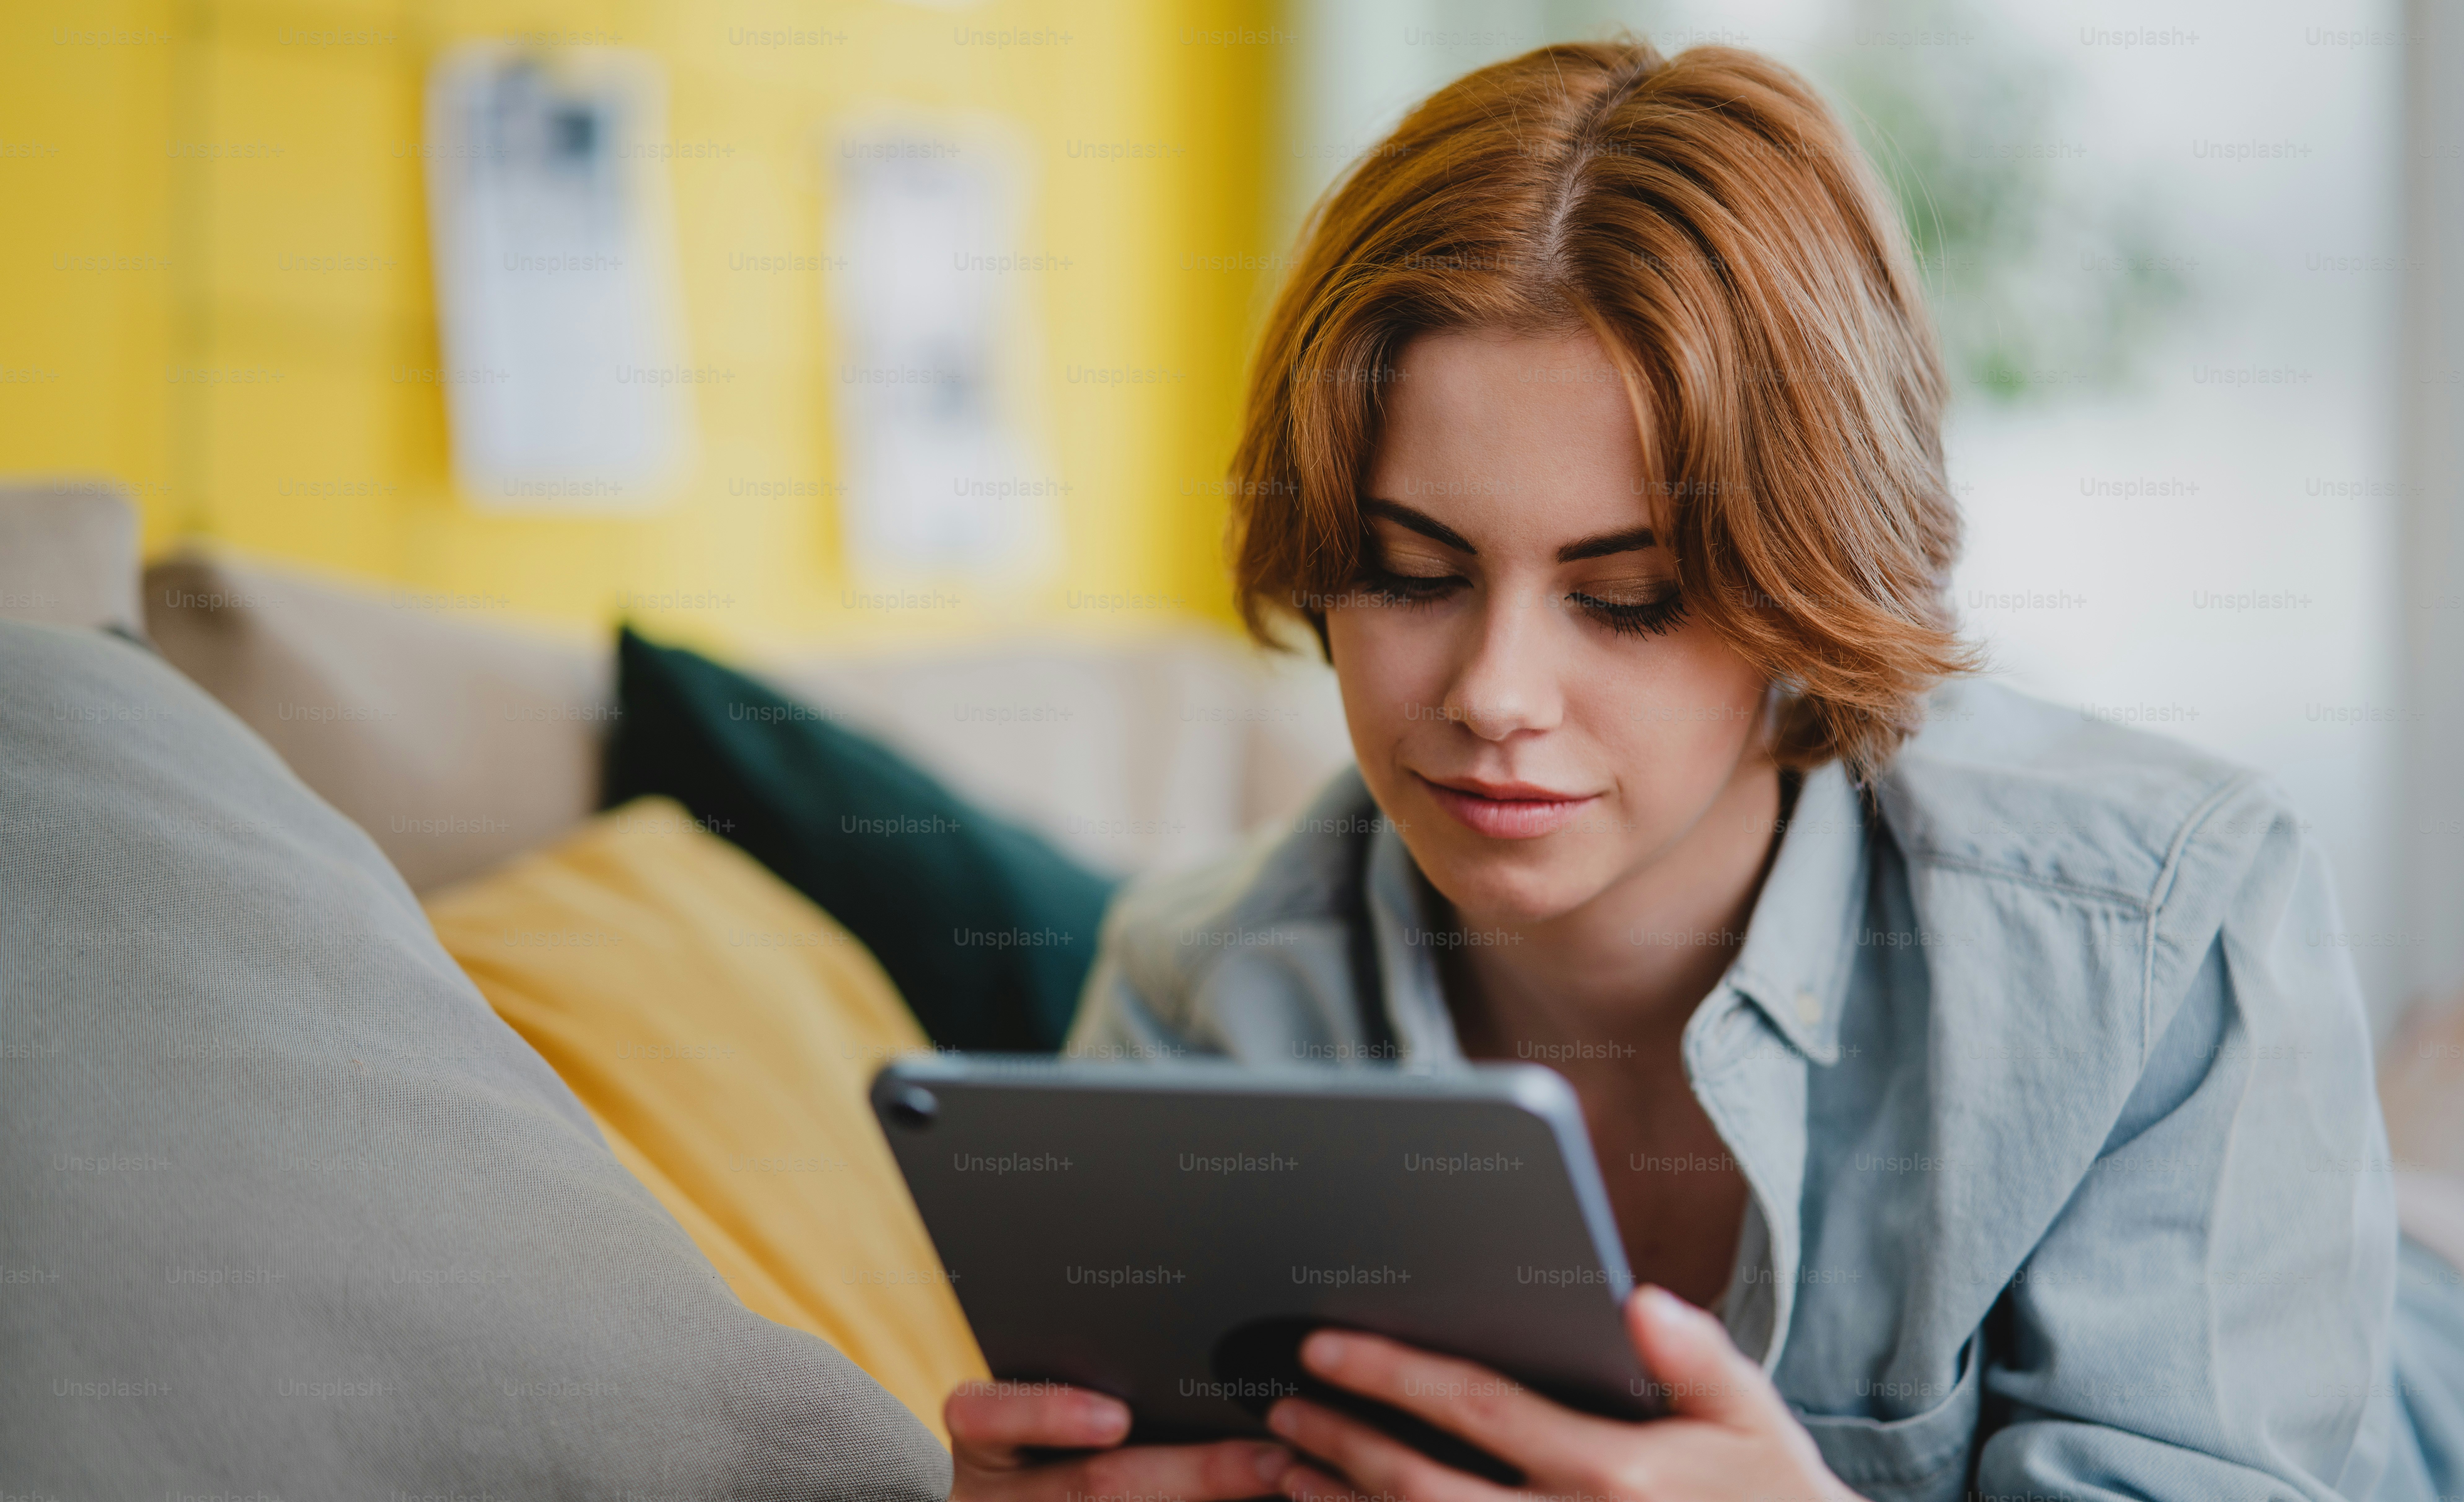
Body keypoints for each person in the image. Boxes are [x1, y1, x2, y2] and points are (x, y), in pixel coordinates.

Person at [945, 36, 2464, 1502]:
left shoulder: (2155, 928)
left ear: (1800, 599)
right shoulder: (1193, 992)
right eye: (1411, 573)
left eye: (1627, 598)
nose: (1493, 696)